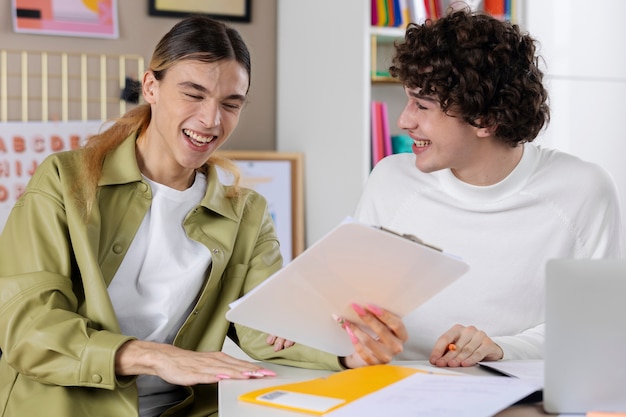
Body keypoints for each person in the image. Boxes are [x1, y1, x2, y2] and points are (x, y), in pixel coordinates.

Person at [0, 16, 406, 417]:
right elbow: (29, 329)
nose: (211, 120)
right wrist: (154, 357)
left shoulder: (247, 213)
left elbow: (267, 330)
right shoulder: (63, 182)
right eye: (193, 94)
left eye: (231, 104)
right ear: (150, 87)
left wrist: (348, 353)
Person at [354, 8, 622, 368]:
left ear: (485, 118)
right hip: (394, 391)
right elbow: (350, 307)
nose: (404, 120)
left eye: (422, 105)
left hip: (519, 398)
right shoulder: (390, 180)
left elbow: (597, 331)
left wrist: (501, 348)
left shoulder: (582, 191)